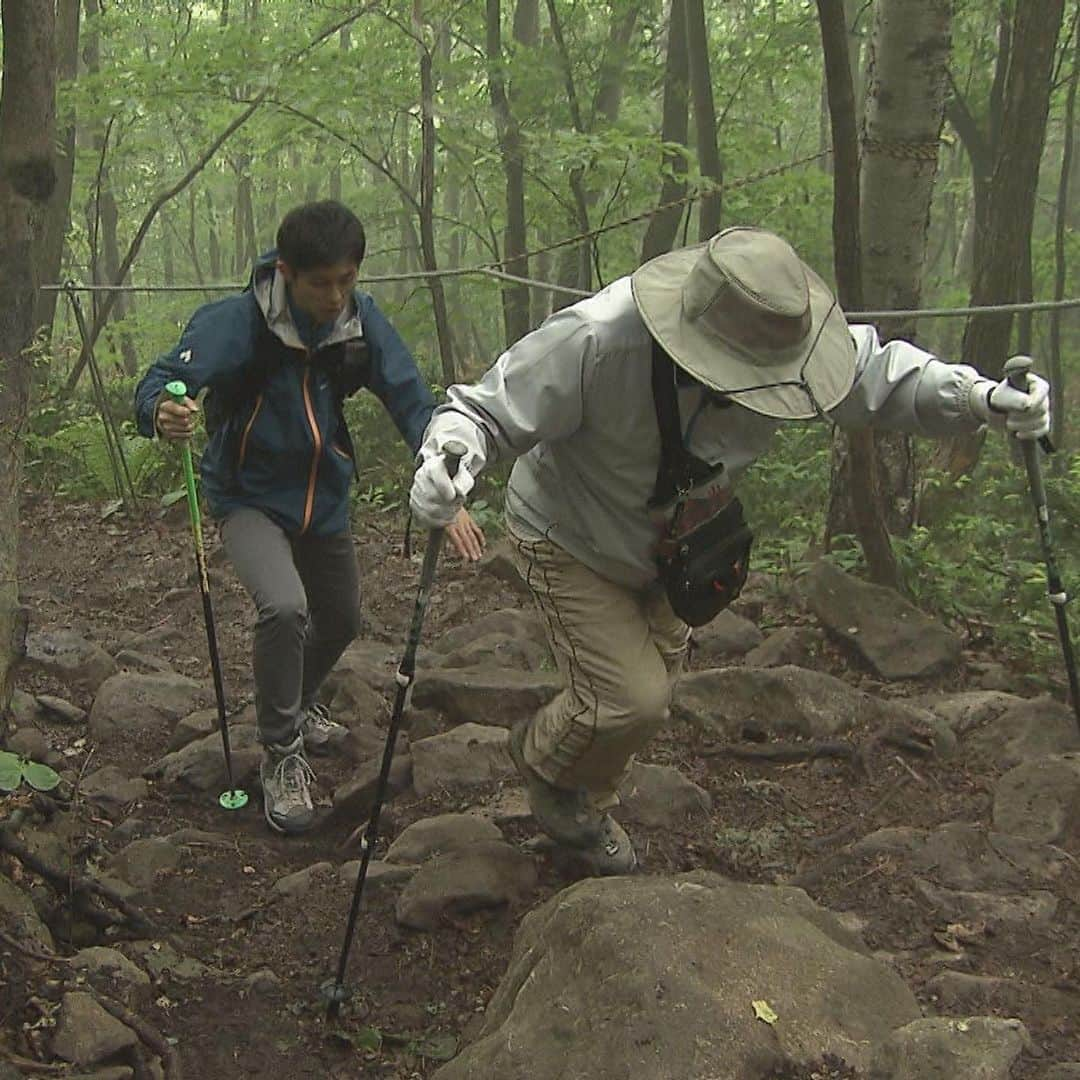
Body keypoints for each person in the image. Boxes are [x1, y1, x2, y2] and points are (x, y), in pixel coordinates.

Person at [408, 225, 1051, 875]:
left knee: (645, 698)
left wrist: (977, 399)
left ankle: (582, 807)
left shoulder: (792, 341)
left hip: (675, 550)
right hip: (570, 533)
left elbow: (875, 373)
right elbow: (485, 409)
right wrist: (447, 461)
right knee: (631, 699)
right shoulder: (597, 338)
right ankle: (546, 765)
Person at [135, 200, 484, 836]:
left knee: (344, 618)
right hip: (248, 496)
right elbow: (162, 381)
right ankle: (280, 750)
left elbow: (412, 401)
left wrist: (444, 481)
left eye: (347, 280)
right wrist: (163, 410)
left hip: (323, 497)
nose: (334, 296)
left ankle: (295, 703)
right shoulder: (238, 323)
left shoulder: (361, 323)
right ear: (288, 273)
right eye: (321, 283)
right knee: (285, 608)